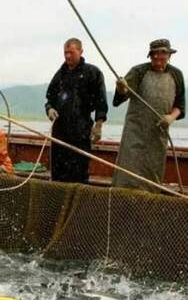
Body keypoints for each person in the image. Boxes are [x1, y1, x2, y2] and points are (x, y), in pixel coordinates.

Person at [112, 39, 185, 192]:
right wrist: (121, 87)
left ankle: (148, 204)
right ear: (150, 56)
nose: (157, 57)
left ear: (169, 55)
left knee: (152, 177)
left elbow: (180, 106)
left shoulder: (176, 75)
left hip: (158, 134)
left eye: (162, 53)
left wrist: (170, 118)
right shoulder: (138, 71)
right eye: (154, 54)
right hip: (135, 133)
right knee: (127, 174)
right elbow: (121, 96)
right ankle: (122, 201)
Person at [45, 38, 108, 183]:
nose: (68, 56)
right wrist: (49, 109)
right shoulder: (60, 74)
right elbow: (49, 99)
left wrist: (98, 126)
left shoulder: (93, 73)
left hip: (81, 130)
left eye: (71, 52)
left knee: (79, 171)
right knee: (58, 172)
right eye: (65, 53)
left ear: (81, 51)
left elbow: (101, 102)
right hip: (59, 131)